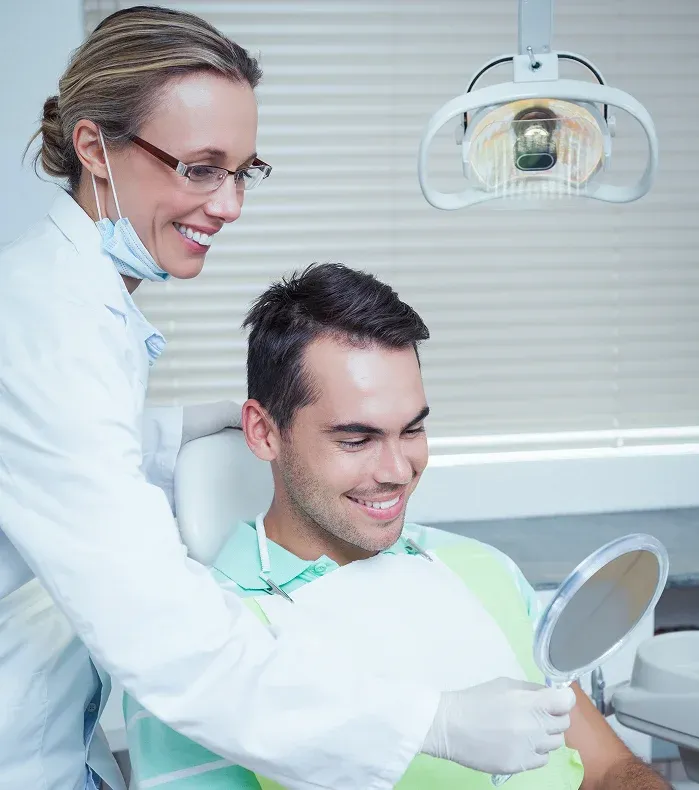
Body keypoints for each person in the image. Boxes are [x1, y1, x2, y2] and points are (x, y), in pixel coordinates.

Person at [0, 7, 576, 790]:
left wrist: (176, 435)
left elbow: (59, 458)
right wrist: (428, 724)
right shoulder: (49, 327)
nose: (230, 204)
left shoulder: (71, 309)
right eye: (199, 168)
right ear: (96, 147)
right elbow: (168, 639)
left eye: (243, 171)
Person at [124, 262, 671, 790]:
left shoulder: (480, 569)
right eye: (356, 440)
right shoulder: (199, 649)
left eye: (411, 431)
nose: (396, 472)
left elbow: (606, 770)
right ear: (265, 433)